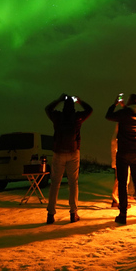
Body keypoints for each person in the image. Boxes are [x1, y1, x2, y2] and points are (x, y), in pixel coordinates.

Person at [44, 93, 93, 224]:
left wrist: (58, 100)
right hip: (73, 152)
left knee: (55, 184)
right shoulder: (77, 117)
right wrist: (80, 100)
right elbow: (90, 110)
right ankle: (73, 213)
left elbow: (47, 109)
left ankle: (50, 214)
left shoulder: (58, 117)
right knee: (73, 183)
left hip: (59, 152)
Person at [106, 93, 136, 224]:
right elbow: (129, 112)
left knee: (122, 183)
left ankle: (123, 214)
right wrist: (124, 106)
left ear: (130, 101)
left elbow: (109, 116)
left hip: (123, 152)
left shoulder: (125, 113)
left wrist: (115, 104)